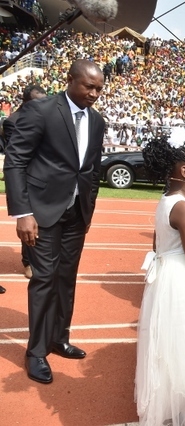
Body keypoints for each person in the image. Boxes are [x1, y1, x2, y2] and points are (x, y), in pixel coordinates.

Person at [3, 59, 106, 384]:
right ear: (70, 79)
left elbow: (92, 168)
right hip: (42, 212)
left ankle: (59, 337)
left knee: (66, 278)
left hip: (76, 214)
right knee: (44, 279)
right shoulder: (42, 111)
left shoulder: (97, 121)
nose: (94, 93)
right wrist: (23, 213)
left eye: (99, 89)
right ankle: (36, 351)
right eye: (88, 86)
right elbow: (16, 161)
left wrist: (88, 209)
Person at [135, 137, 185, 426]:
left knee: (173, 348)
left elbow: (160, 246)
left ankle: (179, 412)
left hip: (167, 279)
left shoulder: (165, 201)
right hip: (184, 283)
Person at [3, 84, 47, 281]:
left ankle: (38, 259)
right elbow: (18, 154)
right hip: (27, 179)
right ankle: (27, 262)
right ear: (26, 102)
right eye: (38, 102)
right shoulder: (13, 121)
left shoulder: (44, 117)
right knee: (28, 220)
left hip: (44, 179)